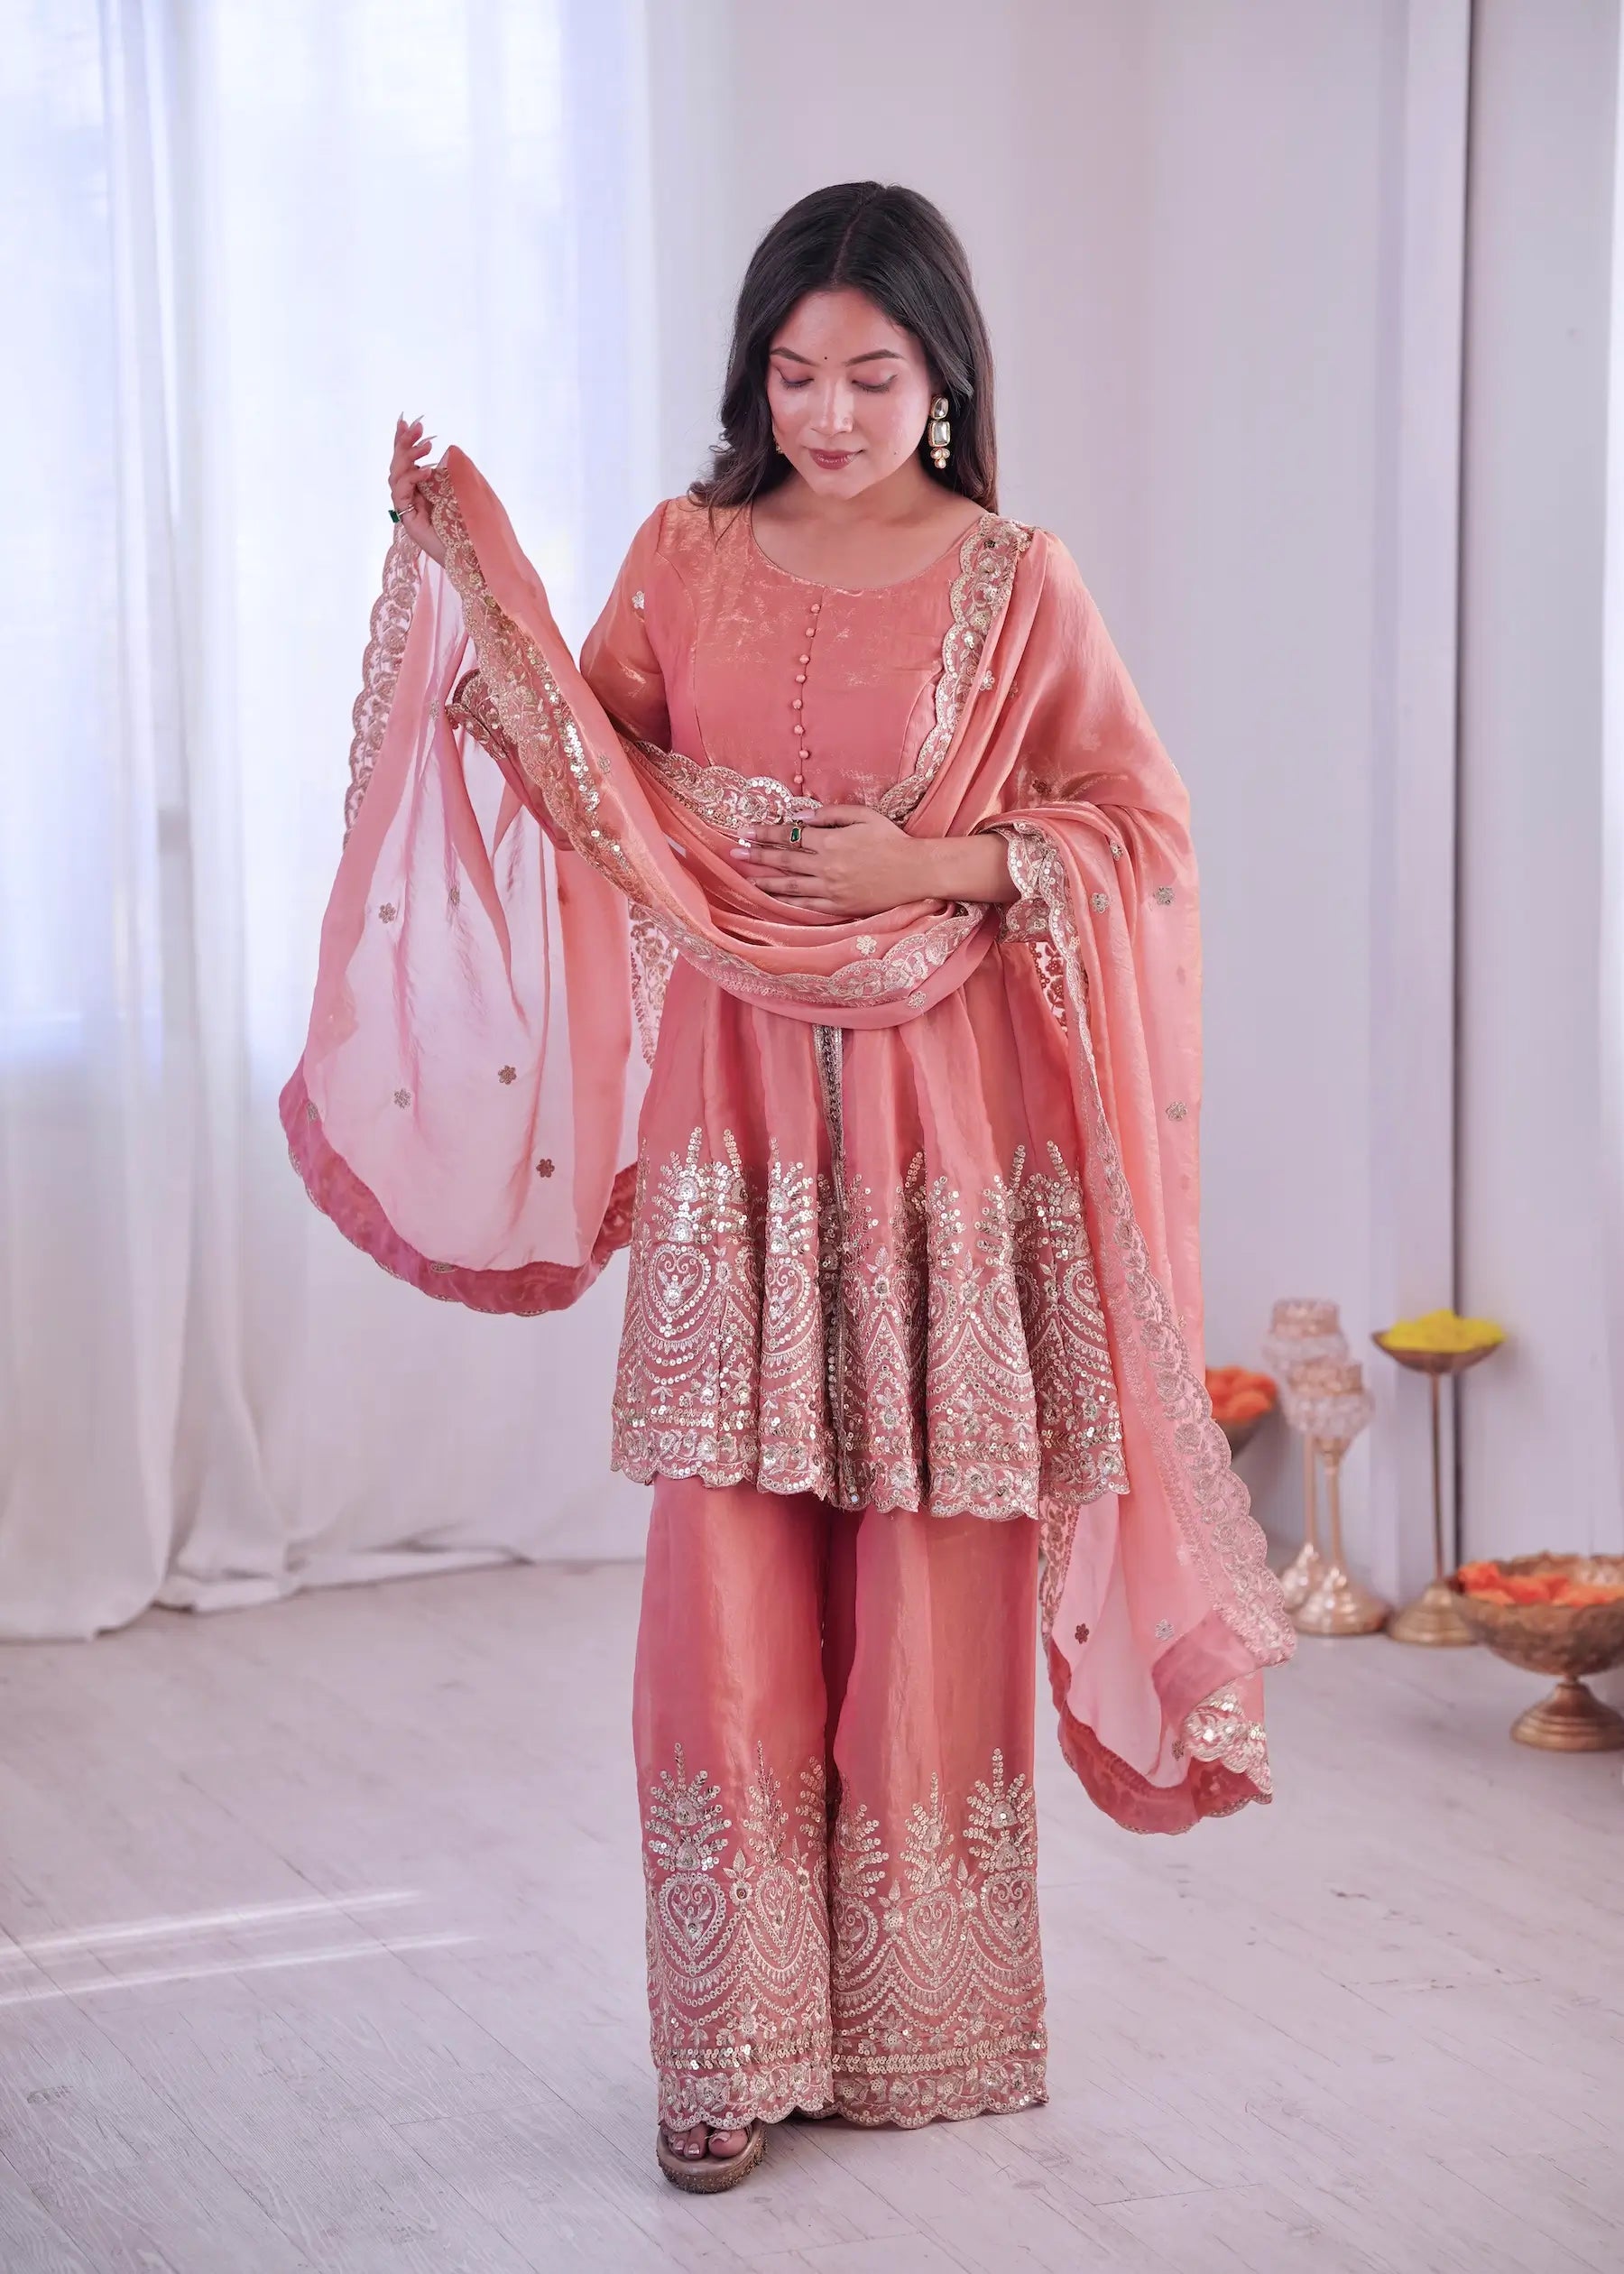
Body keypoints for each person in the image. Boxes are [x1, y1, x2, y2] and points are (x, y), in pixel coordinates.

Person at [283, 180, 1294, 2194]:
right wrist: (470, 589)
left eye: (873, 376)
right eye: (796, 372)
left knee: (933, 1570)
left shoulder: (1016, 580)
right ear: (754, 375)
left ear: (945, 381)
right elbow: (599, 779)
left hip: (946, 1150)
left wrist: (939, 867)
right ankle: (727, 2047)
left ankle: (921, 2027)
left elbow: (1140, 831)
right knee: (725, 1580)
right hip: (737, 1141)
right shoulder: (685, 553)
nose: (829, 414)